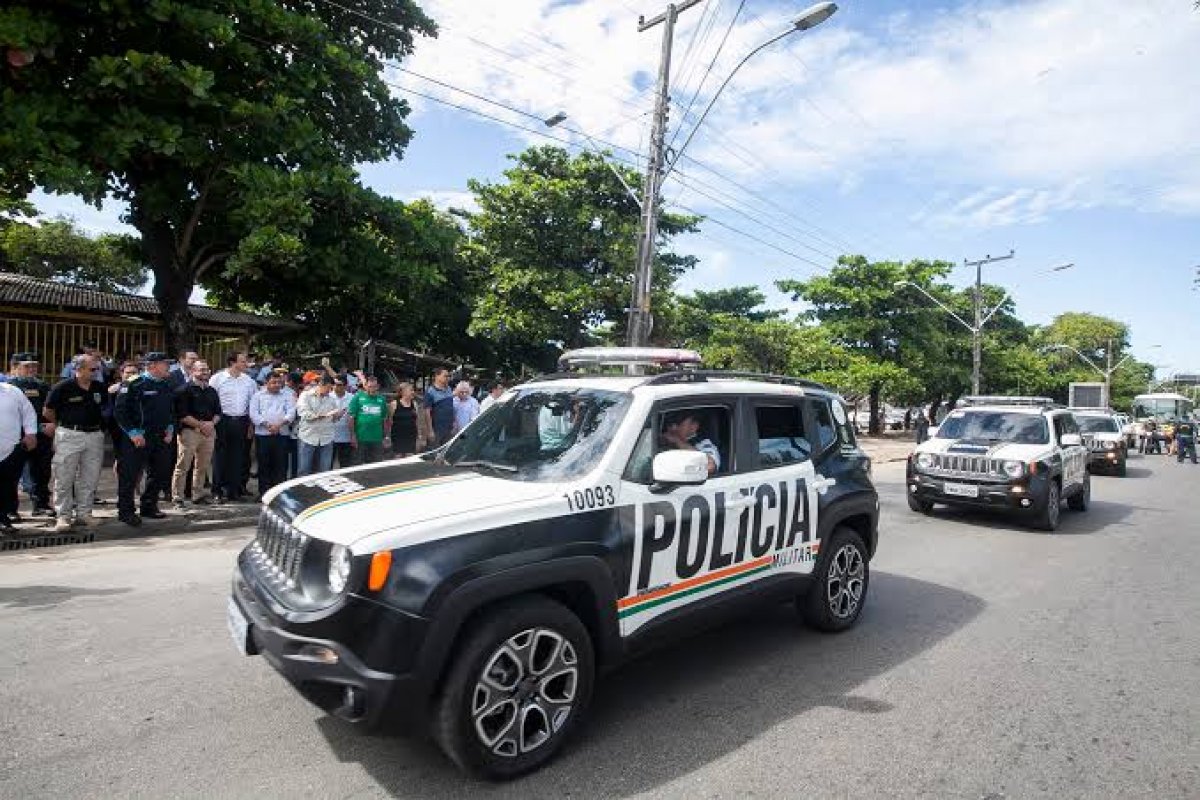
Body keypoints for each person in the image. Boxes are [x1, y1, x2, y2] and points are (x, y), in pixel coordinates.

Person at [43, 354, 107, 531]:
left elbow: (104, 409)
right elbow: (48, 411)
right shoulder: (62, 387)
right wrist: (62, 425)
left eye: (97, 369)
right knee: (64, 476)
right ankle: (63, 516)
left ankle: (84, 514)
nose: (95, 372)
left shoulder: (99, 387)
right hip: (70, 434)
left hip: (94, 435)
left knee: (90, 477)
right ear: (78, 369)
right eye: (92, 369)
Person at [113, 352, 176, 526]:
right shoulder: (134, 383)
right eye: (165, 363)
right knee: (130, 476)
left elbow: (170, 410)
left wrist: (170, 429)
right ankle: (126, 511)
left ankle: (149, 505)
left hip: (161, 437)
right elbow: (120, 412)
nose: (168, 367)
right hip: (138, 437)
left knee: (159, 473)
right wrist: (133, 433)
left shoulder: (166, 384)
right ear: (153, 365)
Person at [8, 353, 54, 518]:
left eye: (34, 365)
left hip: (41, 437)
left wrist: (51, 424)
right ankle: (10, 509)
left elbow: (49, 409)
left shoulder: (43, 386)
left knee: (42, 472)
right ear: (15, 368)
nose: (32, 369)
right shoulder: (9, 387)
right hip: (16, 436)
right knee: (12, 474)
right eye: (27, 366)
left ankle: (41, 504)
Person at [172, 359, 221, 509]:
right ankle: (177, 497)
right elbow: (182, 415)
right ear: (192, 371)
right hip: (190, 432)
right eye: (201, 369)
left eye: (206, 369)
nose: (205, 372)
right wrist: (201, 425)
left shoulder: (212, 391)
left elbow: (218, 412)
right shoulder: (183, 390)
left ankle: (197, 495)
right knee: (183, 465)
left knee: (202, 466)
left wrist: (212, 424)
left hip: (209, 432)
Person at [209, 351, 257, 502]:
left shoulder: (249, 381)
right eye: (242, 361)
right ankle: (217, 490)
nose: (246, 364)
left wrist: (250, 425)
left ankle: (233, 490)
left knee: (238, 457)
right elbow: (211, 401)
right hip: (222, 421)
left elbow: (252, 404)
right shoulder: (217, 379)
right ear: (232, 362)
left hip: (241, 421)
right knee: (219, 456)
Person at [0, 379, 38, 532]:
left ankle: (3, 518)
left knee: (6, 486)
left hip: (10, 448)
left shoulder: (12, 391)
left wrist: (30, 433)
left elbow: (28, 413)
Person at [248, 373, 295, 496]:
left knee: (280, 465)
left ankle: (280, 494)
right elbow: (253, 414)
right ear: (266, 383)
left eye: (279, 382)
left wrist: (278, 425)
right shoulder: (257, 396)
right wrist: (268, 425)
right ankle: (264, 493)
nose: (277, 385)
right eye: (274, 382)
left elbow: (291, 413)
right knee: (264, 464)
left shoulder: (288, 395)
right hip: (263, 434)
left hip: (282, 434)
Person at [296, 375, 341, 476]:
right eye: (328, 388)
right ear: (321, 385)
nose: (329, 391)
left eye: (331, 389)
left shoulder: (332, 399)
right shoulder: (306, 395)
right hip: (308, 436)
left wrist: (337, 415)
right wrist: (317, 416)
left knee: (325, 471)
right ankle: (303, 491)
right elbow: (302, 412)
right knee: (304, 469)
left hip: (326, 438)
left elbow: (334, 417)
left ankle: (321, 491)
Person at [660, 409, 721, 475]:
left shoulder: (704, 444)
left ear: (694, 426)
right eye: (670, 425)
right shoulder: (662, 441)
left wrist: (678, 442)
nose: (672, 428)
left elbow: (710, 466)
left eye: (677, 424)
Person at [348, 375, 389, 465]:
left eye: (374, 387)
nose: (372, 389)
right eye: (370, 386)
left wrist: (386, 436)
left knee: (375, 465)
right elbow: (351, 418)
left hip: (377, 439)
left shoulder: (381, 399)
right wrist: (352, 436)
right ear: (365, 386)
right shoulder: (358, 397)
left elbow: (385, 420)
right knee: (358, 465)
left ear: (378, 386)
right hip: (361, 438)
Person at [389, 382, 429, 457]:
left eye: (413, 390)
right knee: (398, 457)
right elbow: (390, 421)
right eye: (411, 390)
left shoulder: (414, 404)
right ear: (403, 392)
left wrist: (419, 436)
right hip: (398, 436)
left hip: (411, 435)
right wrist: (388, 437)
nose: (413, 392)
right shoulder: (394, 404)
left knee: (410, 457)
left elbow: (416, 421)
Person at [424, 368, 455, 447]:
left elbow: (451, 407)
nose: (448, 378)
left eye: (448, 376)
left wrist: (453, 422)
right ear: (437, 376)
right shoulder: (430, 391)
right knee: (433, 453)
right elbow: (427, 412)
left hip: (448, 428)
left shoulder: (449, 389)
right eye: (445, 376)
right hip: (436, 429)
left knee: (445, 452)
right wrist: (430, 430)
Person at [330, 376, 355, 467]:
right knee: (327, 465)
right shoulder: (328, 396)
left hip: (346, 437)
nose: (335, 387)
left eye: (339, 385)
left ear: (345, 386)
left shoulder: (352, 398)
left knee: (345, 465)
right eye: (334, 384)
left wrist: (353, 435)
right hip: (329, 437)